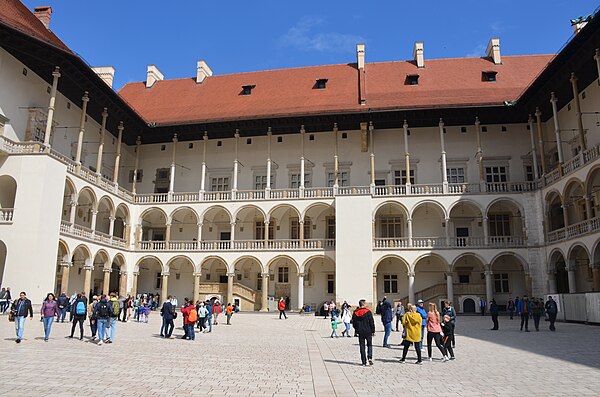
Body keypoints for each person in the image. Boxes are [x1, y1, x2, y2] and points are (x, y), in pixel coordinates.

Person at [351, 299, 375, 366]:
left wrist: (356, 330)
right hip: (368, 331)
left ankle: (363, 361)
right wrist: (373, 330)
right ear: (364, 304)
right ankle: (370, 357)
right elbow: (371, 322)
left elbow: (354, 323)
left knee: (362, 346)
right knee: (369, 345)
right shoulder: (368, 312)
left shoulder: (355, 312)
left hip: (360, 332)